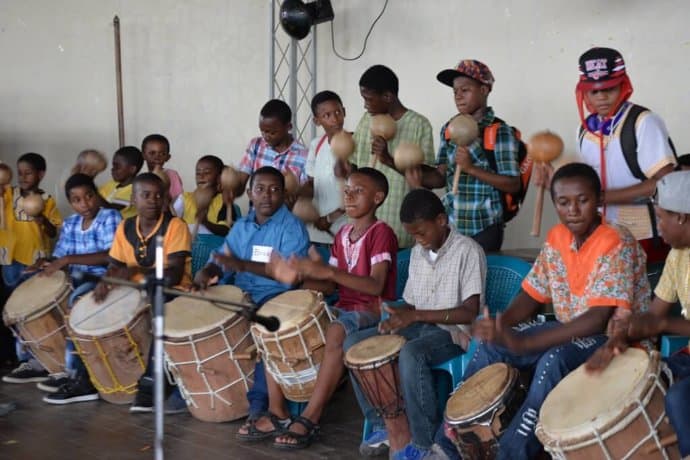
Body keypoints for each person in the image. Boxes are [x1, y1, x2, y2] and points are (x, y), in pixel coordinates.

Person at [430, 163, 650, 460]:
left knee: (552, 361)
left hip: (612, 341)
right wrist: (500, 323)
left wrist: (527, 343)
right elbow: (531, 295)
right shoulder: (557, 238)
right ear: (554, 203)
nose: (573, 209)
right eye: (563, 202)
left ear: (599, 201)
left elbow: (597, 320)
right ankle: (447, 446)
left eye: (582, 200)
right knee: (492, 344)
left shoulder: (616, 241)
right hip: (568, 331)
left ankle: (511, 455)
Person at [247, 167, 398, 450]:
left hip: (376, 309)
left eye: (358, 191)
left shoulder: (381, 233)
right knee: (274, 322)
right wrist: (301, 275)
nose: (349, 196)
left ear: (378, 198)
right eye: (347, 190)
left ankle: (310, 417)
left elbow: (376, 286)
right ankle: (278, 411)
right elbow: (329, 287)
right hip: (344, 307)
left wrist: (329, 275)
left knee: (338, 330)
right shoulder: (342, 235)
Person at [345, 188, 486, 459]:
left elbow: (468, 313)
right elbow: (411, 304)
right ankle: (380, 423)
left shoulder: (468, 251)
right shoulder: (420, 253)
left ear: (442, 221)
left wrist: (416, 315)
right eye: (413, 235)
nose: (418, 241)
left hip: (452, 334)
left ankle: (425, 443)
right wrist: (395, 313)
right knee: (353, 342)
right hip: (419, 326)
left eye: (422, 233)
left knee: (412, 353)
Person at [193, 166, 310, 427]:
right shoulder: (242, 227)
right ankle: (202, 393)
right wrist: (208, 270)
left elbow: (288, 276)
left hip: (275, 297)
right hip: (239, 293)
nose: (267, 196)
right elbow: (222, 260)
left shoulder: (292, 228)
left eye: (274, 190)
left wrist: (241, 265)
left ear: (284, 195)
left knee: (264, 329)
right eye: (260, 189)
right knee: (195, 316)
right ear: (249, 193)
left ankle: (260, 405)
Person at [586, 170, 690, 458]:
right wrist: (621, 335)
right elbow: (654, 314)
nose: (658, 227)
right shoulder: (678, 255)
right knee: (635, 381)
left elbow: (661, 320)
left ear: (681, 216)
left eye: (661, 218)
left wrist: (663, 323)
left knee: (681, 396)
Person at [93, 173, 192, 413]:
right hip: (134, 292)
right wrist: (106, 282)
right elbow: (115, 266)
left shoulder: (175, 226)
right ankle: (91, 378)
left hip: (172, 292)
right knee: (88, 307)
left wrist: (137, 271)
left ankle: (152, 382)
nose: (153, 200)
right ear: (134, 200)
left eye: (159, 195)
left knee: (159, 306)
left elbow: (173, 276)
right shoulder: (125, 226)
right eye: (145, 195)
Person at [574, 47, 676, 263]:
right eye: (594, 91)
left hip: (646, 235)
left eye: (609, 89)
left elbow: (666, 183)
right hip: (601, 234)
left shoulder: (643, 122)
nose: (602, 97)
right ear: (584, 93)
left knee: (644, 294)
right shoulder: (584, 130)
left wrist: (602, 198)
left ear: (623, 86)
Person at [30, 174, 121, 404]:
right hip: (74, 279)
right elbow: (60, 256)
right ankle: (61, 369)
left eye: (89, 196)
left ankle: (82, 380)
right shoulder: (70, 223)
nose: (85, 204)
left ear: (97, 195)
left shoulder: (109, 216)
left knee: (76, 304)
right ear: (71, 203)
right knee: (41, 299)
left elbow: (111, 257)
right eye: (77, 200)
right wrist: (46, 262)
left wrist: (67, 260)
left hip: (103, 281)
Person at [413, 59, 520, 252]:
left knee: (478, 281)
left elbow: (513, 183)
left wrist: (471, 168)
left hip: (484, 227)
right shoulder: (449, 129)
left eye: (465, 90)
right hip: (451, 226)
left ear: (484, 90)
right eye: (455, 91)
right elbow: (439, 178)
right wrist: (411, 170)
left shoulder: (499, 131)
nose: (458, 97)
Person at [349, 65, 434, 248]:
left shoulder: (419, 124)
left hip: (400, 228)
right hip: (365, 229)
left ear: (387, 96)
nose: (365, 105)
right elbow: (353, 168)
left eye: (368, 99)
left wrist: (388, 159)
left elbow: (429, 180)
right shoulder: (366, 121)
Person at [1, 153, 62, 384]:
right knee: (14, 311)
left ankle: (37, 358)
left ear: (41, 174)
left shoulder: (46, 199)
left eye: (28, 173)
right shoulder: (9, 193)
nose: (23, 177)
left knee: (32, 311)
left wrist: (41, 220)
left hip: (35, 263)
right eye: (20, 173)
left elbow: (53, 232)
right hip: (10, 261)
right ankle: (22, 357)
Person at [233, 99, 308, 200]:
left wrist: (294, 189)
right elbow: (240, 183)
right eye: (263, 131)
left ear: (288, 127)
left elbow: (305, 194)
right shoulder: (256, 145)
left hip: (287, 213)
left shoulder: (303, 155)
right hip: (255, 214)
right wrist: (230, 187)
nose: (266, 136)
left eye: (272, 132)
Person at [302, 90, 348, 245]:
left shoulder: (353, 144)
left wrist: (329, 219)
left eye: (338, 112)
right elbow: (311, 184)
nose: (335, 119)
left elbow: (357, 191)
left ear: (344, 112)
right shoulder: (316, 144)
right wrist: (293, 195)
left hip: (346, 228)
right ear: (316, 120)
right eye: (327, 115)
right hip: (317, 231)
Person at [172, 155, 231, 237]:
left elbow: (226, 230)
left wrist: (205, 222)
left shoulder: (224, 200)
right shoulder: (185, 198)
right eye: (198, 173)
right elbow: (170, 223)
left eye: (207, 173)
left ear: (219, 177)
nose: (201, 176)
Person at [98, 146, 144, 219]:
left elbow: (110, 210)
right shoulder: (111, 184)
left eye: (117, 167)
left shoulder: (135, 190)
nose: (113, 169)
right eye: (113, 166)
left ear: (132, 169)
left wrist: (88, 184)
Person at [141, 134, 184, 203]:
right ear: (143, 155)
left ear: (168, 157)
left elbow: (178, 202)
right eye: (152, 153)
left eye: (162, 154)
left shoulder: (172, 175)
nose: (157, 157)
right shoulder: (142, 178)